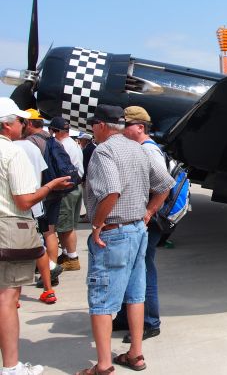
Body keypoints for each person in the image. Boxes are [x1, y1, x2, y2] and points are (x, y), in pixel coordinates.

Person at [76, 105, 174, 375]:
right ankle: (135, 354)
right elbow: (165, 184)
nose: (92, 129)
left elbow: (111, 191)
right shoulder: (138, 148)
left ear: (103, 126)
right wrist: (150, 211)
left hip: (114, 233)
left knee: (101, 300)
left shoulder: (104, 151)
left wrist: (97, 224)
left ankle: (104, 366)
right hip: (137, 231)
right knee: (135, 295)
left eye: (94, 124)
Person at [0, 98, 72, 375]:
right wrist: (51, 186)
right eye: (20, 120)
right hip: (9, 228)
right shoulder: (13, 152)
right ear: (8, 126)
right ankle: (11, 366)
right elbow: (24, 200)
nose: (25, 125)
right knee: (8, 297)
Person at [113, 106, 172, 343]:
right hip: (142, 217)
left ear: (139, 127)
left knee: (144, 271)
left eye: (125, 125)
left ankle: (149, 322)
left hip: (149, 220)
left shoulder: (149, 151)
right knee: (132, 269)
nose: (121, 129)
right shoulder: (140, 149)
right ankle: (129, 316)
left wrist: (148, 211)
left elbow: (164, 185)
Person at [14, 133, 59, 304]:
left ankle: (14, 295)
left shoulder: (9, 148)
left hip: (16, 206)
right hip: (36, 204)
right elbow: (40, 175)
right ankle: (48, 290)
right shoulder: (32, 147)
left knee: (11, 251)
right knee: (39, 246)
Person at [23, 109, 64, 288]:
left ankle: (48, 267)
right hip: (51, 190)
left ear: (29, 124)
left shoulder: (29, 143)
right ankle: (51, 266)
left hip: (35, 195)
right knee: (49, 232)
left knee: (37, 236)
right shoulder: (52, 140)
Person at [49, 117, 84, 271]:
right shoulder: (73, 144)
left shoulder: (60, 145)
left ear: (54, 131)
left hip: (67, 189)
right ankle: (67, 254)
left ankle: (72, 257)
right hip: (76, 186)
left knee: (65, 226)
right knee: (69, 225)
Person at [77, 132, 96, 223]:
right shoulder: (94, 147)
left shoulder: (87, 150)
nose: (80, 141)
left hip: (89, 176)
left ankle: (88, 216)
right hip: (94, 176)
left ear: (86, 140)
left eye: (81, 140)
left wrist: (83, 179)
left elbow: (84, 165)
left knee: (87, 197)